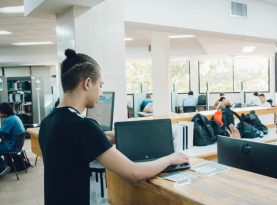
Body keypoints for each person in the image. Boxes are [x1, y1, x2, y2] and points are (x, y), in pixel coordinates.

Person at [38, 49, 189, 205]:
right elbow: (134, 172)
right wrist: (171, 158)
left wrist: (127, 135)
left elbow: (84, 143)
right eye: (100, 85)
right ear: (88, 83)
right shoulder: (83, 126)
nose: (101, 92)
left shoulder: (49, 121)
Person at [0, 102, 26, 178]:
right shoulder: (15, 117)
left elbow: (1, 133)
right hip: (16, 144)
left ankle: (2, 167)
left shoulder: (9, 120)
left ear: (3, 111)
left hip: (11, 146)